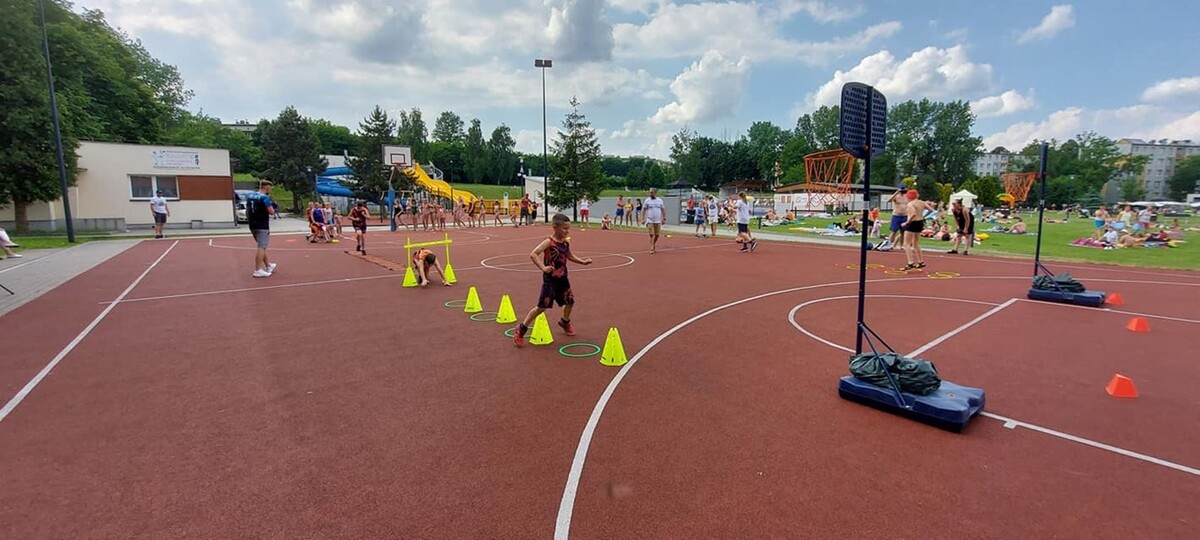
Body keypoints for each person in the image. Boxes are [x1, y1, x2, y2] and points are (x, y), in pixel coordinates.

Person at [513, 213, 593, 347]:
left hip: (563, 278)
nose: (567, 231)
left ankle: (564, 322)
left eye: (568, 229)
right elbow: (533, 254)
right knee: (541, 308)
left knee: (570, 301)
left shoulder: (566, 242)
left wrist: (583, 262)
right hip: (550, 280)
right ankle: (521, 329)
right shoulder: (549, 242)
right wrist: (543, 268)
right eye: (564, 229)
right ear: (555, 227)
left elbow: (569, 256)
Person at [246, 181, 277, 278]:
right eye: (270, 188)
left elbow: (247, 210)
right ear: (267, 187)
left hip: (252, 224)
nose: (270, 190)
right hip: (262, 225)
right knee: (262, 247)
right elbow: (271, 212)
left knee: (261, 246)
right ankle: (257, 270)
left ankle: (268, 265)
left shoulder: (250, 196)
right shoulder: (264, 198)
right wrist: (273, 205)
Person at [901, 189, 934, 270]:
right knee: (916, 243)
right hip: (920, 222)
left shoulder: (910, 204)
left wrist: (907, 222)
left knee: (906, 244)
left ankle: (910, 262)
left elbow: (913, 213)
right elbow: (931, 210)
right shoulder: (921, 202)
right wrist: (923, 216)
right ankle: (920, 261)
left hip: (912, 223)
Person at [641, 188, 666, 253]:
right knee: (651, 234)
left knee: (657, 234)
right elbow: (644, 210)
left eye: (652, 192)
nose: (650, 194)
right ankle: (652, 247)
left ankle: (654, 244)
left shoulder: (660, 200)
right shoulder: (647, 200)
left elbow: (663, 209)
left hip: (657, 220)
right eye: (650, 192)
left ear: (655, 193)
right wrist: (642, 218)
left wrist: (664, 218)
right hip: (650, 219)